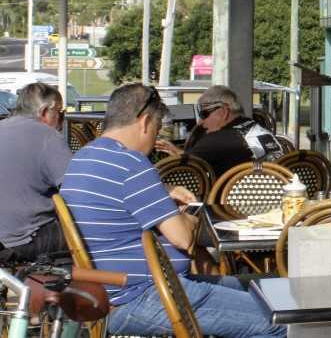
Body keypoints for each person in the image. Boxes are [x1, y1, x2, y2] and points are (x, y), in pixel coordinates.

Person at [60, 83, 284, 338]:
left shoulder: (84, 158)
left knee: (259, 287)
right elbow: (184, 239)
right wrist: (185, 215)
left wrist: (162, 191)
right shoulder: (132, 163)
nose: (155, 139)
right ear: (144, 121)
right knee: (277, 321)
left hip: (112, 292)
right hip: (148, 295)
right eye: (156, 130)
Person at [0, 83, 70, 263]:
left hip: (3, 240)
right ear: (45, 111)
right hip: (25, 239)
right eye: (60, 113)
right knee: (98, 231)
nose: (61, 121)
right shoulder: (48, 136)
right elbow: (75, 190)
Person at [155, 84, 283, 177]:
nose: (201, 122)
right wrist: (179, 152)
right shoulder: (255, 127)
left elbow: (185, 170)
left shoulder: (217, 140)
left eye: (204, 114)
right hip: (281, 199)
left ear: (223, 112)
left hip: (234, 209)